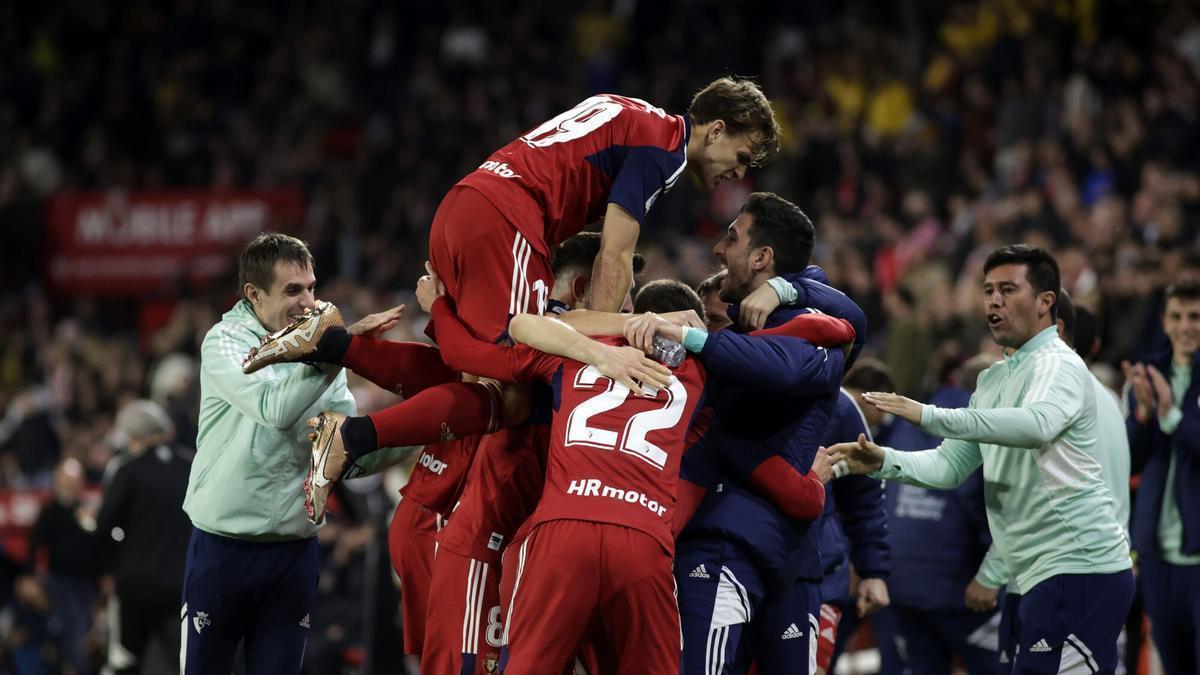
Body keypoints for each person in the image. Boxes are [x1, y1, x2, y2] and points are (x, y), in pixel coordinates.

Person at [828, 244, 1134, 672]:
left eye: (1008, 289)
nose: (994, 300)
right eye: (988, 289)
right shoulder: (993, 379)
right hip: (1030, 574)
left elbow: (1036, 424)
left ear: (1047, 302)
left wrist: (928, 414)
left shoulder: (1058, 364)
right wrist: (883, 461)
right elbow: (950, 466)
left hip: (1079, 566)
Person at [182, 232, 407, 674]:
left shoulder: (324, 354)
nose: (308, 301)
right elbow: (274, 409)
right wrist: (335, 351)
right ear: (254, 294)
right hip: (221, 551)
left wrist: (433, 426)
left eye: (311, 287)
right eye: (292, 290)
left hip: (294, 554)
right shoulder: (225, 342)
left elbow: (344, 453)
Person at [670, 192, 867, 675]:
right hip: (727, 542)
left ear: (763, 258)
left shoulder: (813, 341)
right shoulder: (735, 345)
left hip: (781, 553)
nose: (718, 248)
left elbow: (841, 329)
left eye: (731, 238)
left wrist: (787, 291)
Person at [972, 287, 1133, 667]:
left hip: (1049, 576)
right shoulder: (1106, 397)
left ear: (1053, 327)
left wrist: (991, 573)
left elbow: (1026, 495)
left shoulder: (1043, 408)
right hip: (1104, 570)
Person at [878, 355, 999, 675]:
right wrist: (996, 573)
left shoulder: (909, 422)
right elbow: (983, 510)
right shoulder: (986, 429)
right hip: (963, 592)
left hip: (901, 585)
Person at [1122, 278, 1200, 674]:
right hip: (1156, 555)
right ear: (1165, 322)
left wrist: (1171, 416)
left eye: (1195, 317)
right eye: (1177, 317)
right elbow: (1130, 461)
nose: (1186, 326)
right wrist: (1144, 417)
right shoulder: (1148, 374)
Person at [96, 399, 192, 675]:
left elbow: (104, 527)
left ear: (135, 436)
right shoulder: (191, 465)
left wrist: (112, 565)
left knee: (124, 661)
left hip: (134, 585)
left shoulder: (127, 468)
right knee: (184, 664)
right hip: (180, 585)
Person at [816, 359, 892, 673]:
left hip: (819, 575)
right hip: (735, 568)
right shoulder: (728, 376)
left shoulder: (842, 408)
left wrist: (872, 570)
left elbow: (865, 496)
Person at [23, 457, 99, 675]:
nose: (70, 485)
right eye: (67, 480)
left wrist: (104, 575)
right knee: (71, 629)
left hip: (86, 583)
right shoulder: (50, 511)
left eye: (75, 480)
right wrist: (28, 576)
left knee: (81, 631)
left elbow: (97, 546)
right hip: (60, 581)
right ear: (58, 481)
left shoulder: (86, 511)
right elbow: (34, 544)